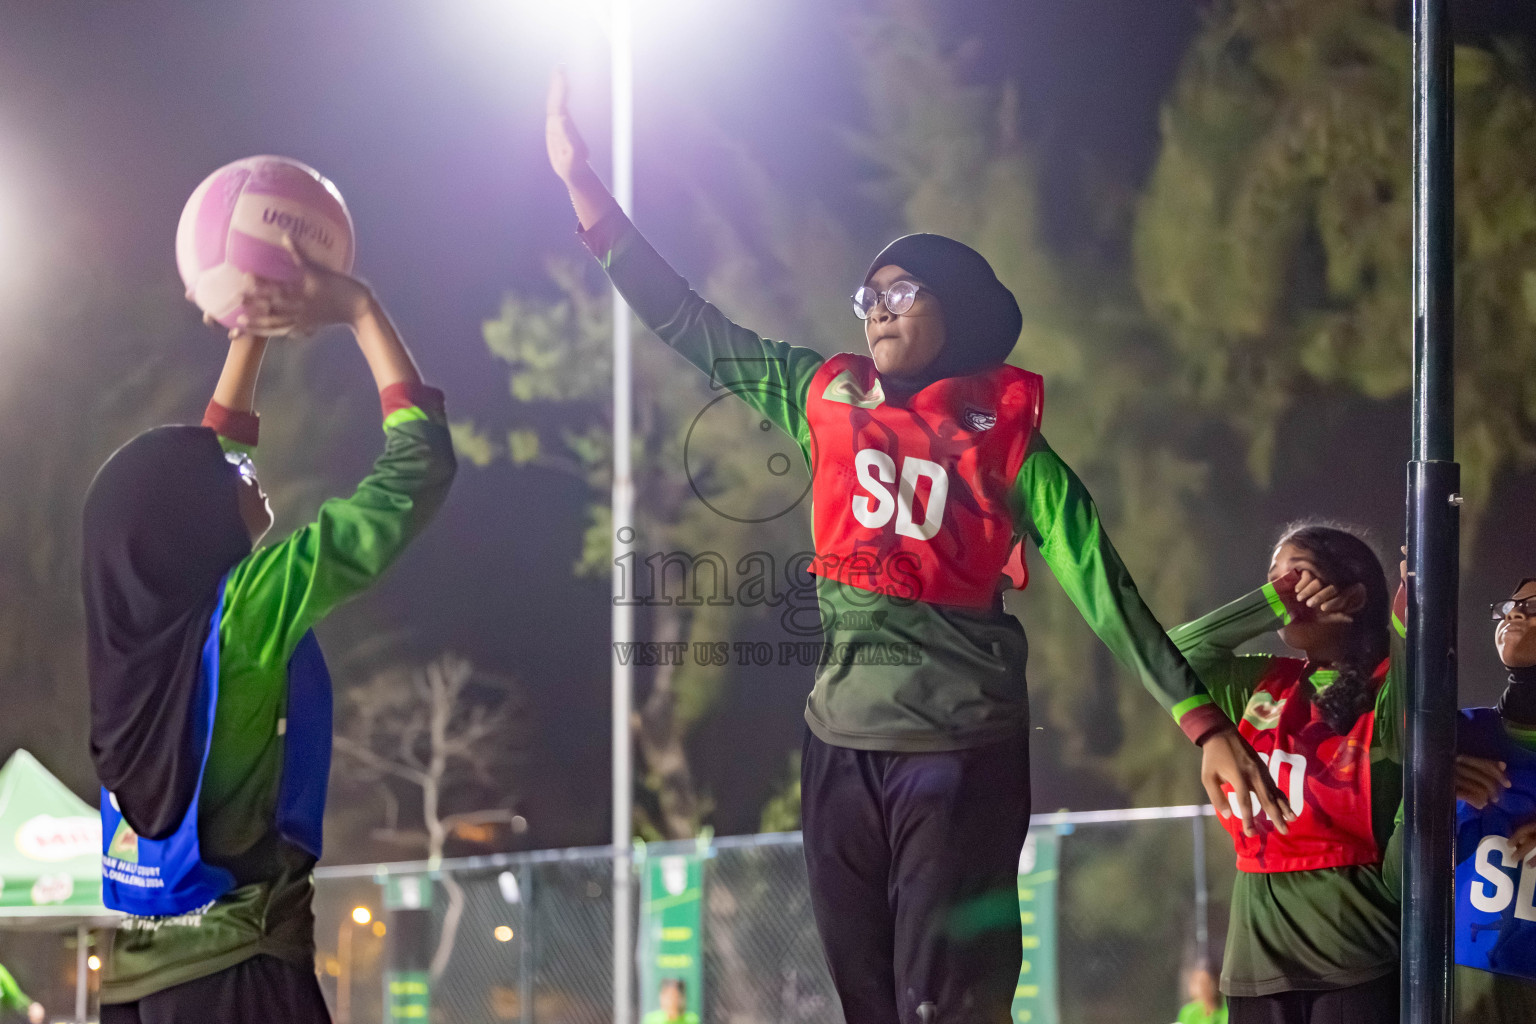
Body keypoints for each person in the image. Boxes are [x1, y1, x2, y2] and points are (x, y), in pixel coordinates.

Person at [545, 70, 1288, 1024]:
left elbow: (1106, 588)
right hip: (838, 743)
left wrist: (1204, 721)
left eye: (905, 290)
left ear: (961, 315)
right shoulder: (823, 394)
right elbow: (693, 324)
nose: (880, 307)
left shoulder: (1010, 441)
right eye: (870, 293)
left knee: (946, 1004)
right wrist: (583, 187)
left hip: (960, 744)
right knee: (870, 1003)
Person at [84, 239, 455, 1023]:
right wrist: (359, 309)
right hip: (239, 981)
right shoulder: (245, 615)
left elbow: (208, 460)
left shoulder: (134, 644)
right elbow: (418, 471)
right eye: (230, 477)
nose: (248, 470)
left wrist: (251, 327)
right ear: (193, 525)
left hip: (137, 986)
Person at [1168, 523, 1405, 1024]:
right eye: (1272, 581)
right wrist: (1270, 603)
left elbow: (1418, 662)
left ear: (1353, 596)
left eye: (1296, 578)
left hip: (1354, 954)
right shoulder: (1262, 683)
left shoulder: (1388, 691)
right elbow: (1173, 658)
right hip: (1254, 960)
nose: (1282, 591)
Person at [1442, 576, 1536, 1019]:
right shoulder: (1457, 734)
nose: (1515, 613)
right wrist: (1426, 789)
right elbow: (1395, 875)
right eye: (1511, 605)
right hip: (1471, 980)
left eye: (1534, 606)